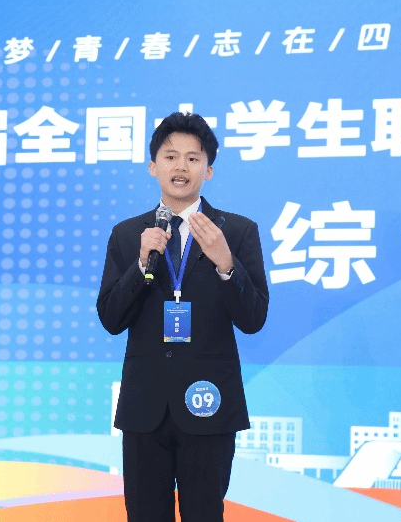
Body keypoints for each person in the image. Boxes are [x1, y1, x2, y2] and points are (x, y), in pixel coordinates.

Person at [96, 111, 269, 521]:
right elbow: (111, 318)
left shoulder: (237, 232)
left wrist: (227, 264)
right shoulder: (128, 234)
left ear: (208, 171)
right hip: (145, 407)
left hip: (209, 402)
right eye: (171, 156)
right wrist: (141, 265)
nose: (181, 167)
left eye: (193, 158)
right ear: (153, 166)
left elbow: (253, 319)